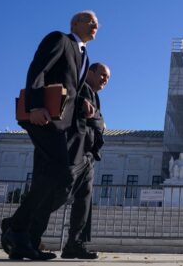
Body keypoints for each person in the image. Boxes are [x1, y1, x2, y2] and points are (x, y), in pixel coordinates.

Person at [1, 11, 99, 260]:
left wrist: (83, 104)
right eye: (90, 20)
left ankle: (25, 240)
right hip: (43, 117)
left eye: (97, 23)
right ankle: (15, 226)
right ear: (74, 23)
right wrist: (34, 105)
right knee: (61, 173)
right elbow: (38, 68)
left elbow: (69, 88)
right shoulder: (60, 39)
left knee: (48, 177)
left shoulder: (83, 55)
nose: (95, 24)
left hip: (61, 124)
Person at [61, 62, 110, 259]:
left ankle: (76, 243)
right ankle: (17, 224)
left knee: (84, 198)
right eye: (103, 75)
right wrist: (100, 120)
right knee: (60, 192)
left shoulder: (94, 94)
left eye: (108, 78)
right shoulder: (80, 88)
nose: (105, 80)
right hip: (76, 149)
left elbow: (94, 119)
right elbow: (91, 119)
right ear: (90, 72)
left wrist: (98, 120)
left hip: (88, 152)